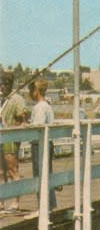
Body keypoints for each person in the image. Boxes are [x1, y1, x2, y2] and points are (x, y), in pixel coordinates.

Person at [1, 73, 29, 211]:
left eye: (3, 83)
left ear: (8, 84)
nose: (1, 86)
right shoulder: (2, 99)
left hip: (10, 139)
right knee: (0, 172)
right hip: (1, 138)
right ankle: (1, 202)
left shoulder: (16, 99)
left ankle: (15, 202)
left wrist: (13, 129)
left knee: (12, 170)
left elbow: (22, 117)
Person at [29, 79, 57, 210]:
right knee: (47, 173)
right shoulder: (46, 105)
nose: (29, 93)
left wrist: (26, 127)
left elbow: (38, 126)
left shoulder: (40, 107)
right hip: (48, 143)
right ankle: (49, 205)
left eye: (31, 90)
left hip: (40, 144)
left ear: (36, 91)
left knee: (40, 174)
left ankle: (43, 206)